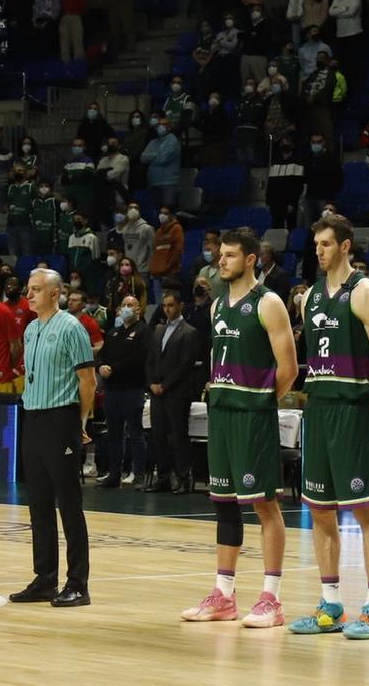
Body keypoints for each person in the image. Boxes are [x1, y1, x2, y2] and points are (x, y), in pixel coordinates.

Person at [289, 214, 369, 639]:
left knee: (364, 510)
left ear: (346, 246)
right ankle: (330, 604)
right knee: (319, 509)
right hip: (318, 407)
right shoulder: (310, 297)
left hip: (352, 407)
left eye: (326, 244)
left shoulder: (366, 292)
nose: (319, 251)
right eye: (316, 244)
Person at [179, 229, 298, 627]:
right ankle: (224, 595)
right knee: (223, 503)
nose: (221, 262)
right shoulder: (216, 307)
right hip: (223, 414)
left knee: (264, 505)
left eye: (230, 255)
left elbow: (289, 368)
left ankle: (271, 599)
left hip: (252, 415)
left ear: (251, 260)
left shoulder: (268, 303)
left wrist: (260, 401)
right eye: (220, 255)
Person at [8, 270, 97, 608]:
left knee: (69, 505)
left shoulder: (72, 328)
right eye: (28, 289)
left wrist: (82, 421)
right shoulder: (31, 330)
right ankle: (45, 578)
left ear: (55, 293)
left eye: (35, 290)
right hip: (33, 418)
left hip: (62, 418)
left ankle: (78, 584)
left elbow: (87, 379)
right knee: (39, 505)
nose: (28, 295)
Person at [144, 287, 200, 494]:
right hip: (156, 391)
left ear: (179, 305)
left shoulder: (189, 332)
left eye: (171, 305)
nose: (167, 309)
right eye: (165, 306)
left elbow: (185, 364)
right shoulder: (158, 330)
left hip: (177, 392)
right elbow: (149, 360)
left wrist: (165, 385)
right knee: (158, 435)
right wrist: (151, 383)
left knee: (178, 436)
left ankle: (183, 477)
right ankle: (164, 477)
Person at [97, 295, 147, 487]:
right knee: (114, 433)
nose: (127, 308)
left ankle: (139, 474)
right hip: (112, 389)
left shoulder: (143, 332)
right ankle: (114, 474)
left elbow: (139, 359)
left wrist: (114, 369)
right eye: (124, 305)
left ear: (138, 310)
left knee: (135, 432)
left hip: (132, 388)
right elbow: (103, 355)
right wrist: (101, 366)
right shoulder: (113, 333)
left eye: (131, 305)